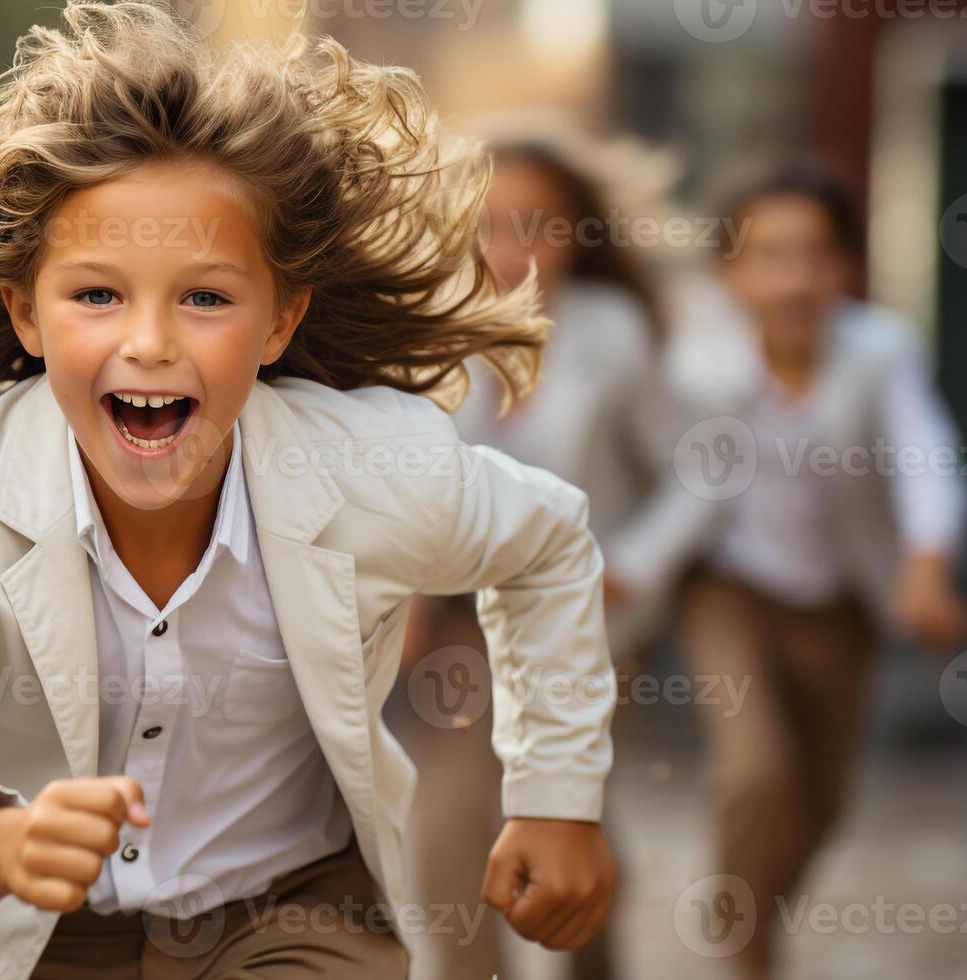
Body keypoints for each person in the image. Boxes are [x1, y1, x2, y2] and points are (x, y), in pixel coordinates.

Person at [0, 4, 618, 978]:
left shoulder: (369, 469)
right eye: (96, 294)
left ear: (278, 321)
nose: (149, 341)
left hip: (293, 908)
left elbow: (547, 544)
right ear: (24, 312)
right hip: (42, 927)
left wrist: (556, 794)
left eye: (205, 296)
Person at [385, 120, 710, 980]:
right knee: (451, 819)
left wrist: (627, 568)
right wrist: (401, 592)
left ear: (576, 233)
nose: (513, 246)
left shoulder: (614, 334)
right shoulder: (424, 330)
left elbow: (696, 477)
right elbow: (405, 485)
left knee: (569, 811)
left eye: (539, 222)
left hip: (584, 624)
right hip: (460, 626)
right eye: (491, 221)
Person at [669, 161, 966, 980]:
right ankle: (745, 955)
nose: (794, 279)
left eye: (814, 254)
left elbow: (924, 455)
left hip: (841, 604)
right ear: (731, 272)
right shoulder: (696, 363)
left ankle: (744, 910)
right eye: (769, 255)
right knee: (755, 776)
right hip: (728, 592)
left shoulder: (879, 351)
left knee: (819, 805)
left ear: (845, 266)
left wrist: (926, 563)